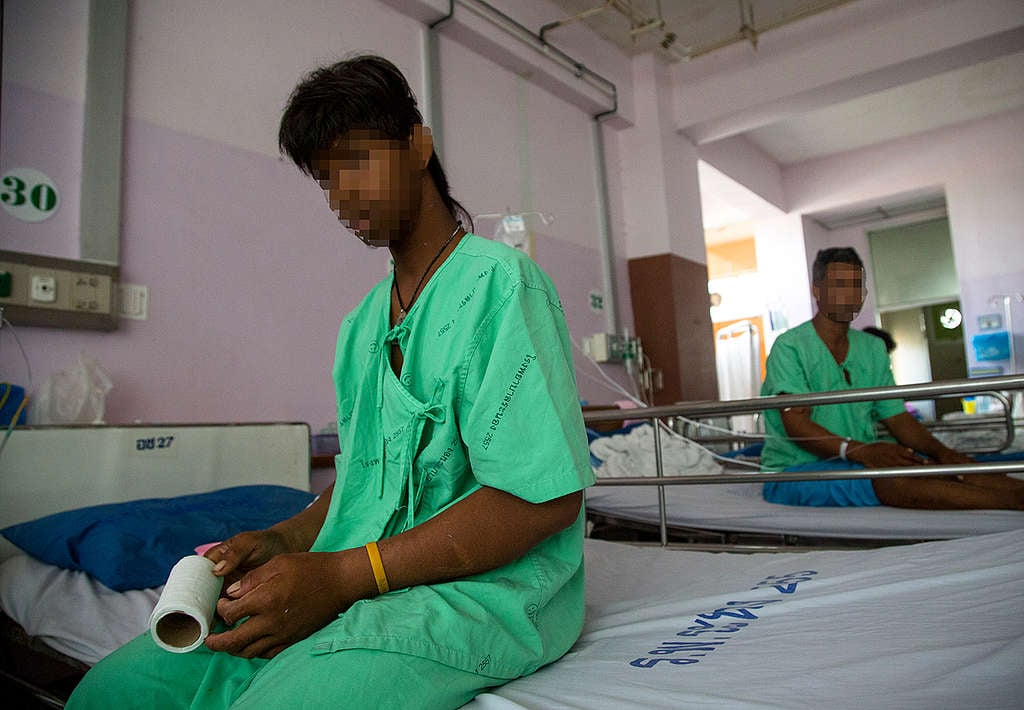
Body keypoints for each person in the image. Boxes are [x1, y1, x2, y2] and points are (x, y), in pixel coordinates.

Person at [68, 55, 594, 708]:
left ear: (417, 145)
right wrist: (285, 539)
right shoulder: (360, 328)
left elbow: (541, 499)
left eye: (356, 162)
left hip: (483, 594)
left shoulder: (502, 288)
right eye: (324, 179)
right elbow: (362, 481)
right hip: (356, 576)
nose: (340, 195)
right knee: (111, 693)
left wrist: (345, 574)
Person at [760, 247, 1024, 510]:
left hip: (855, 460)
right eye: (839, 285)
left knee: (941, 465)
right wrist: (862, 452)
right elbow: (796, 424)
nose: (849, 295)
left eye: (856, 285)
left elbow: (897, 417)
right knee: (890, 479)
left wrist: (943, 453)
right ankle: (1010, 503)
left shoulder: (872, 348)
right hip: (796, 471)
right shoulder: (790, 347)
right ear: (817, 290)